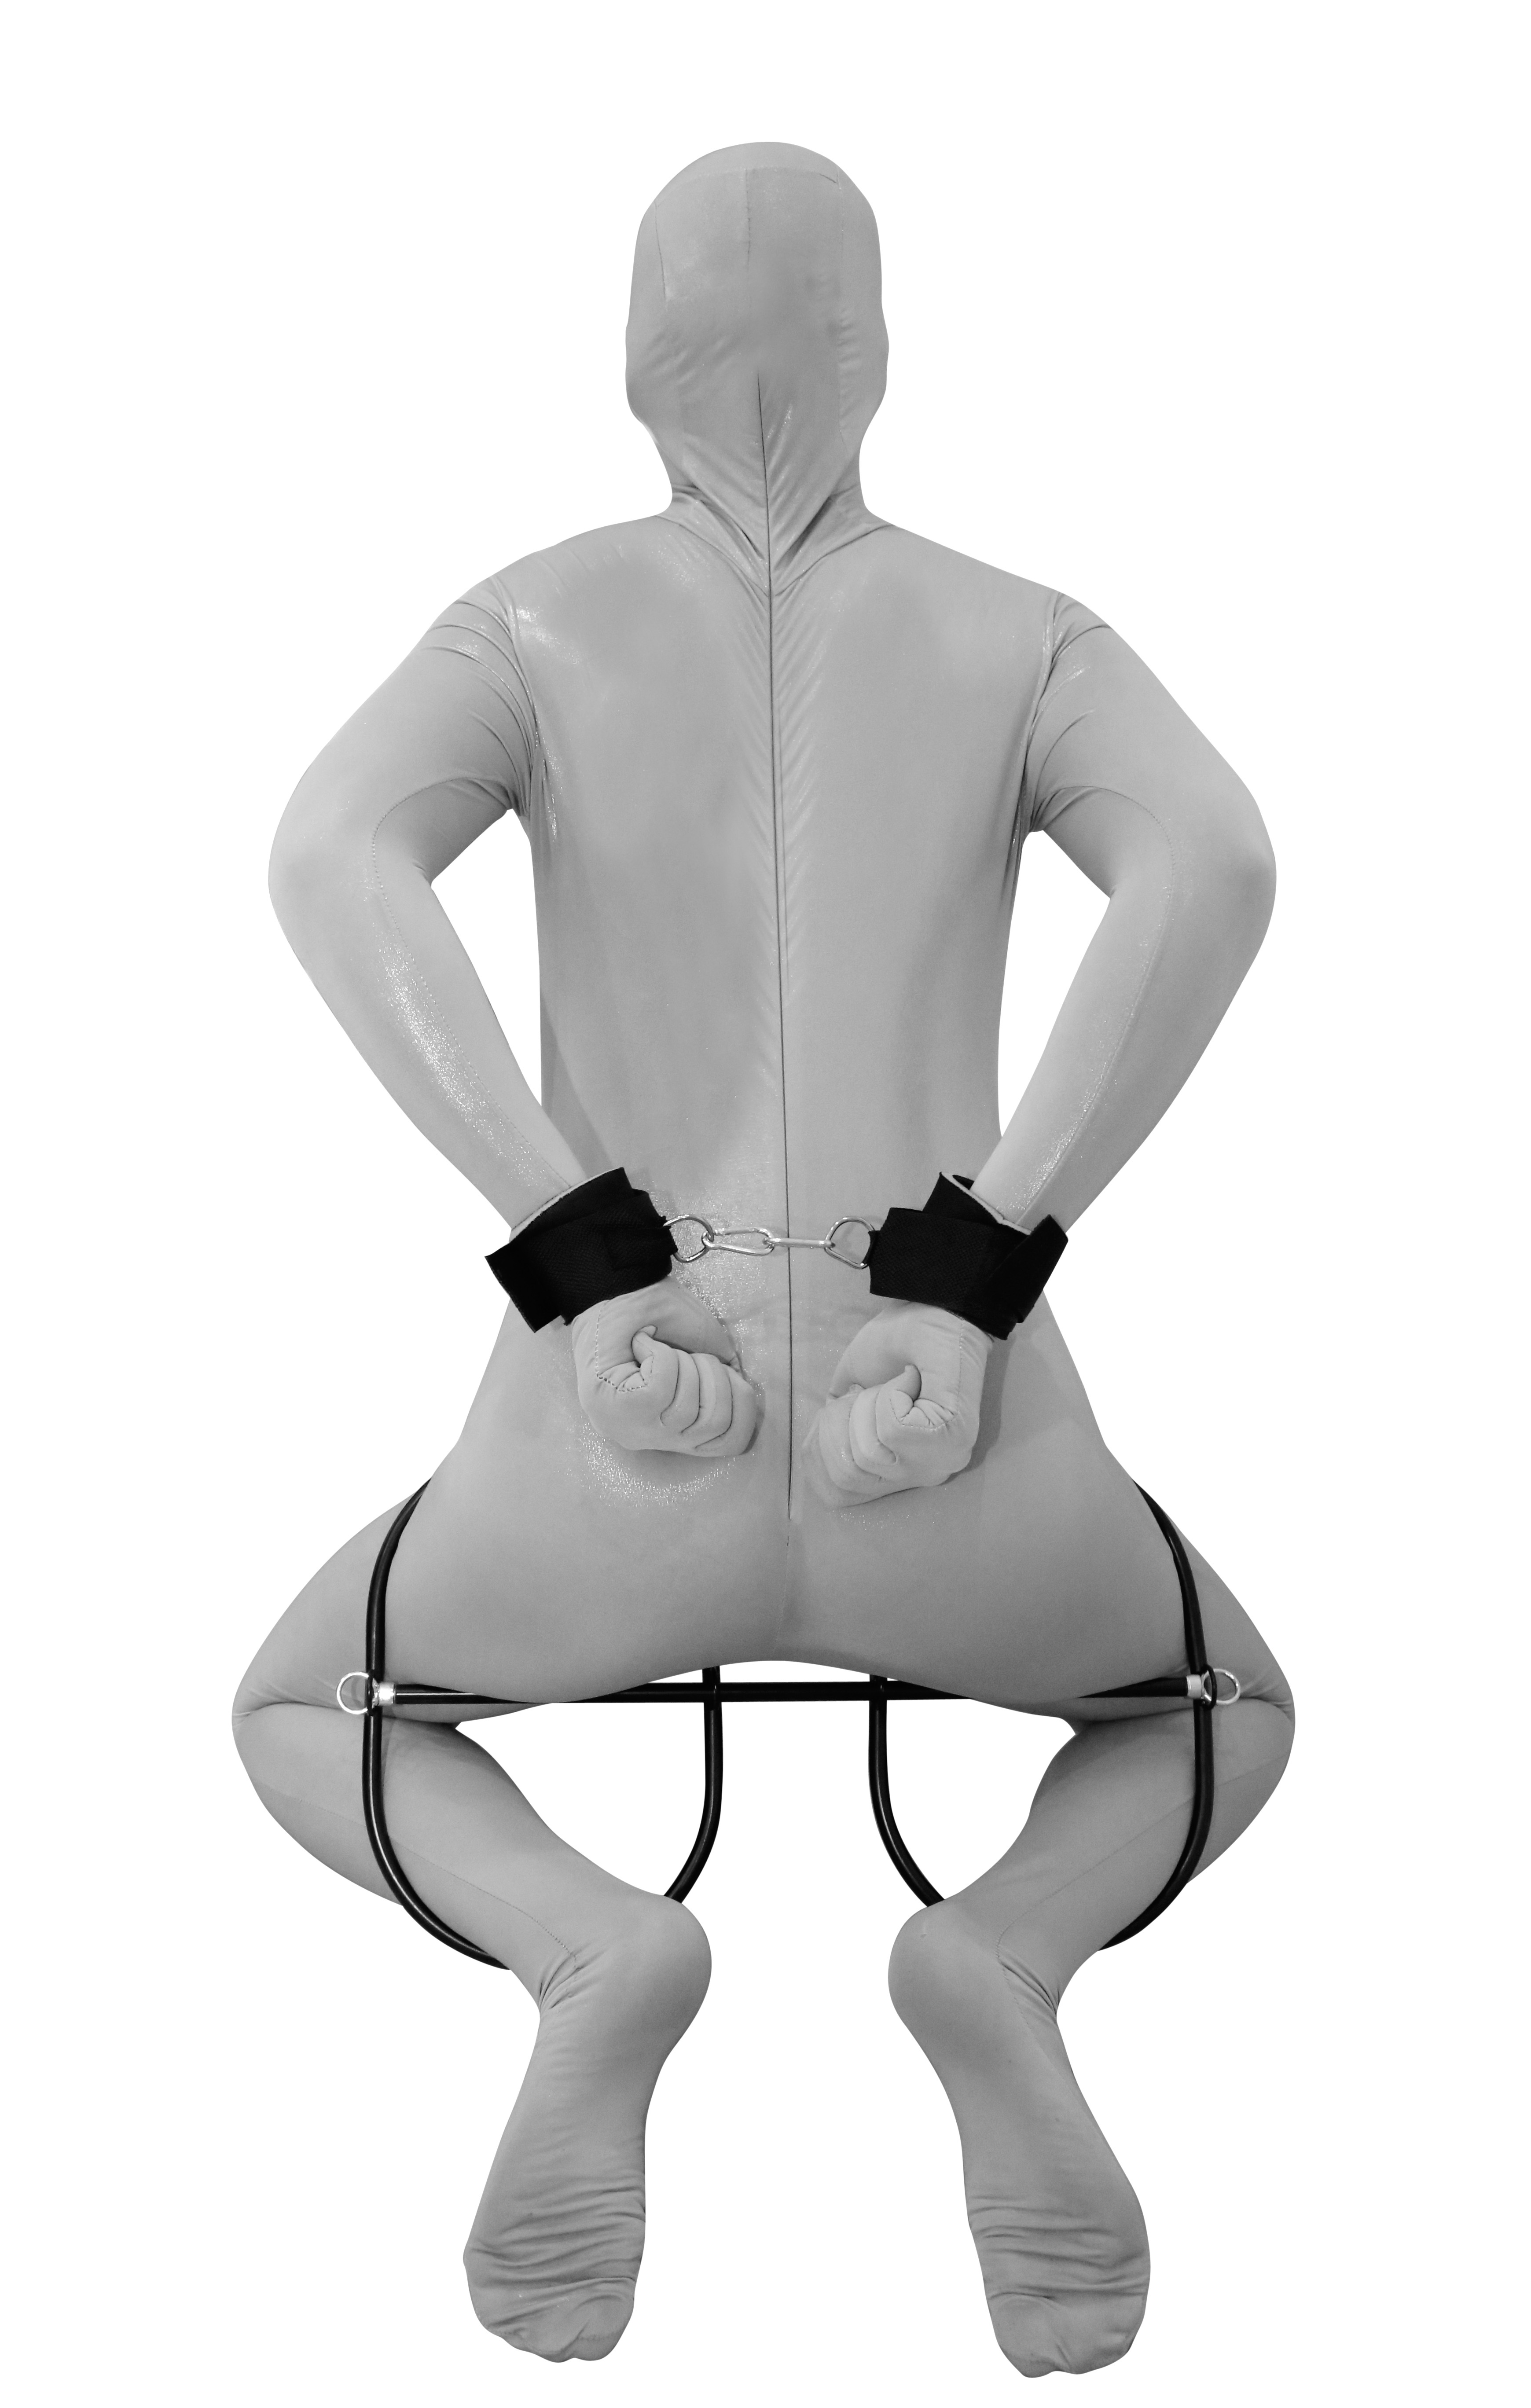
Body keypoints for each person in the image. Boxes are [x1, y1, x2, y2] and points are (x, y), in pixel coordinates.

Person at [233, 141, 1293, 2377]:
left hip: (606, 1456)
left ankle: (589, 1949)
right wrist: (976, 1275)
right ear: (877, 359)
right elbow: (1212, 861)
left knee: (301, 1706)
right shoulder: (1025, 635)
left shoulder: (525, 622)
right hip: (967, 1453)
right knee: (1232, 1707)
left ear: (636, 365)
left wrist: (589, 1260)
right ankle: (999, 1953)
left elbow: (331, 855)